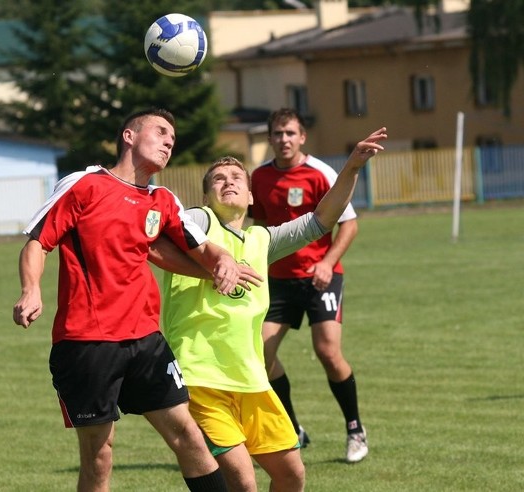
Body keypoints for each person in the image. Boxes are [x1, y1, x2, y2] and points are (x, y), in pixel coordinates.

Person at [12, 108, 263, 492]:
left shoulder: (162, 200)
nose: (169, 142)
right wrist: (31, 289)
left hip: (146, 340)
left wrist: (224, 261)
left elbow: (202, 248)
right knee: (100, 456)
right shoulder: (85, 184)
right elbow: (38, 241)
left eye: (172, 139)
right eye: (161, 132)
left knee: (190, 438)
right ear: (129, 136)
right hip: (87, 342)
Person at [149, 127, 386, 490]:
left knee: (292, 475)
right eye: (218, 179)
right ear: (206, 194)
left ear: (249, 195)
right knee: (244, 481)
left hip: (252, 381)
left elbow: (322, 219)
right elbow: (151, 245)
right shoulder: (197, 221)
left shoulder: (262, 240)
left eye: (236, 178)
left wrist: (351, 168)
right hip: (202, 378)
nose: (227, 182)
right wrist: (212, 267)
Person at [249, 107, 370, 463]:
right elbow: (258, 229)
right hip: (278, 282)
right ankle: (293, 430)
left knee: (328, 352)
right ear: (269, 138)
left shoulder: (321, 172)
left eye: (290, 133)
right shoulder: (259, 177)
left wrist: (327, 262)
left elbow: (349, 225)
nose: (283, 140)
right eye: (277, 133)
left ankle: (355, 430)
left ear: (302, 137)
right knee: (261, 354)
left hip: (321, 278)